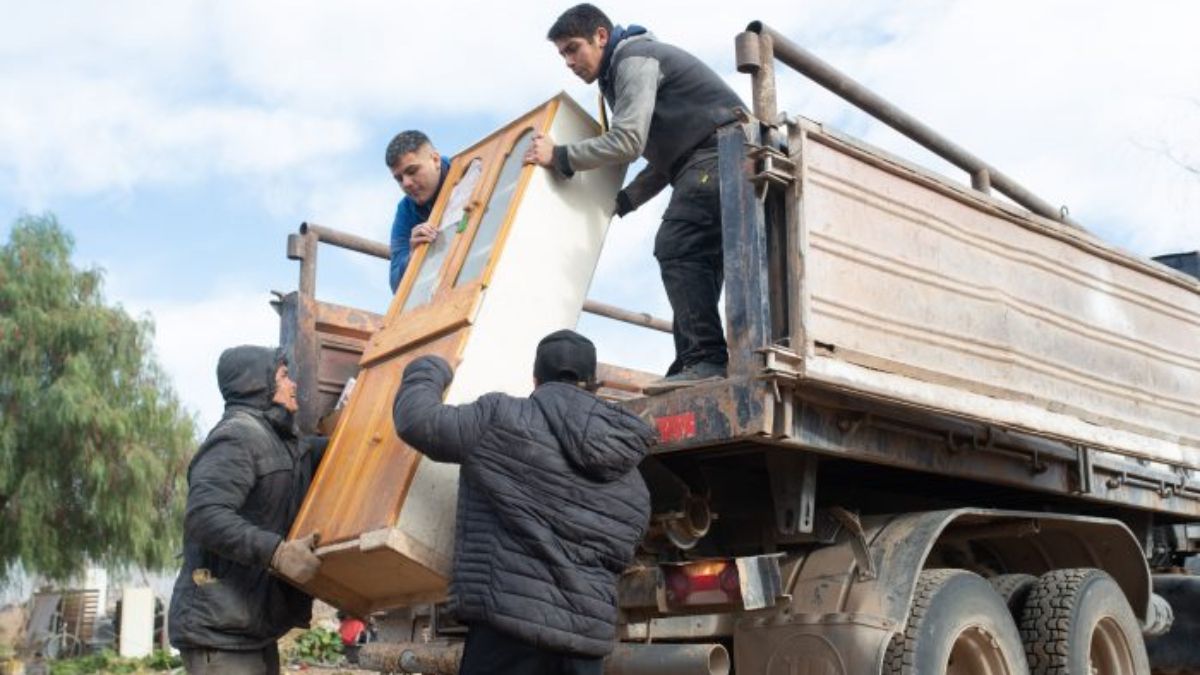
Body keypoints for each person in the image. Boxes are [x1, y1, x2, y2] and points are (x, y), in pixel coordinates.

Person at [393, 330, 653, 674]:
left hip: (507, 633)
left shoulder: (500, 418)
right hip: (583, 649)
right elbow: (623, 550)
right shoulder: (633, 478)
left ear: (535, 377)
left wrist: (430, 367)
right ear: (594, 383)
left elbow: (417, 421)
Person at [525, 4, 746, 393]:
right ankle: (696, 358)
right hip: (711, 156)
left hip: (720, 152)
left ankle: (705, 358)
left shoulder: (633, 59)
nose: (569, 62)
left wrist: (560, 156)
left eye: (573, 48)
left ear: (601, 36)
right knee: (697, 254)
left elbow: (628, 141)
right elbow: (665, 160)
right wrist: (622, 202)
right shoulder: (623, 69)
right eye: (562, 54)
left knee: (677, 245)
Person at [168, 346, 325, 675]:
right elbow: (205, 517)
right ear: (258, 384)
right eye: (283, 376)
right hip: (218, 633)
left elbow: (308, 453)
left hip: (249, 630)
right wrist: (276, 553)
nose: (293, 384)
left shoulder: (277, 440)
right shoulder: (236, 437)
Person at [387, 130, 450, 293]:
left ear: (435, 160)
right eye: (399, 179)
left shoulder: (473, 170)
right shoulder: (405, 210)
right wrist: (412, 254)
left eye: (412, 171)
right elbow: (395, 284)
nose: (406, 183)